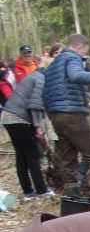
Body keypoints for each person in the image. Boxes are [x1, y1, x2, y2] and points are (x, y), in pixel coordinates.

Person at [42, 33, 90, 196]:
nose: (83, 57)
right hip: (72, 114)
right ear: (79, 47)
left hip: (56, 115)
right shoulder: (71, 58)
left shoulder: (53, 64)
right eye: (84, 52)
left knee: (67, 158)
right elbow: (76, 75)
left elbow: (46, 93)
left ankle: (73, 196)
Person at [1, 64, 56, 201]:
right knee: (33, 155)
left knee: (21, 155)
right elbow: (35, 106)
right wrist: (38, 128)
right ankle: (42, 190)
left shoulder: (30, 78)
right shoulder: (41, 80)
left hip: (7, 116)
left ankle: (28, 192)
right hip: (20, 118)